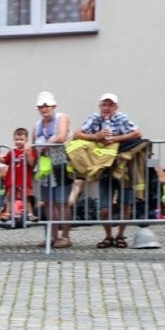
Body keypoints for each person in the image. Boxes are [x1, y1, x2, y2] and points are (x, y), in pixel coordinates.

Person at [72, 93, 145, 248]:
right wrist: (96, 136)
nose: (106, 108)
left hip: (123, 166)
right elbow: (77, 134)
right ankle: (108, 236)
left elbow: (138, 133)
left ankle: (120, 236)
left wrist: (116, 139)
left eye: (110, 105)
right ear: (100, 106)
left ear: (115, 107)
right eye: (104, 105)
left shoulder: (121, 118)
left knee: (126, 204)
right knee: (104, 208)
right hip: (104, 167)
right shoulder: (95, 118)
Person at [32, 93, 73, 247]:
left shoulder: (62, 117)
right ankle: (52, 236)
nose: (44, 109)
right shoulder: (37, 125)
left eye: (47, 105)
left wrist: (46, 144)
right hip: (44, 169)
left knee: (62, 203)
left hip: (60, 164)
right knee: (48, 203)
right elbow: (33, 145)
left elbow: (62, 136)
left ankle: (66, 236)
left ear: (53, 106)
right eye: (41, 106)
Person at [0, 128, 36, 225]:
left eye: (21, 139)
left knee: (26, 198)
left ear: (26, 140)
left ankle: (30, 214)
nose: (18, 142)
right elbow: (5, 161)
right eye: (16, 139)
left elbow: (32, 163)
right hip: (12, 179)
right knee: (10, 197)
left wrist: (27, 154)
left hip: (25, 179)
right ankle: (7, 213)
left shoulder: (30, 150)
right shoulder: (11, 151)